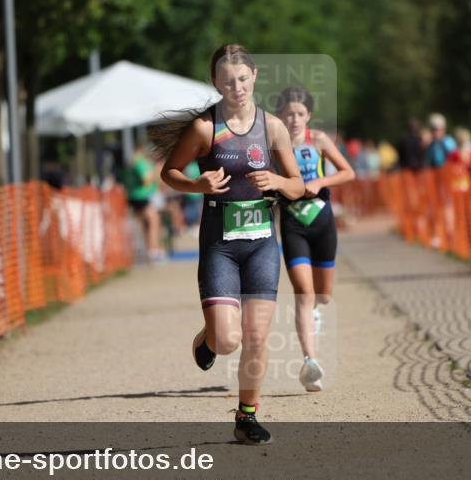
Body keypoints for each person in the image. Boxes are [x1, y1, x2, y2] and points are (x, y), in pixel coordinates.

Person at [154, 44, 305, 445]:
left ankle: (247, 416)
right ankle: (207, 337)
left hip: (261, 244)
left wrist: (277, 183)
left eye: (242, 78)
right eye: (227, 81)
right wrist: (195, 184)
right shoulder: (206, 128)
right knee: (227, 340)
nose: (236, 87)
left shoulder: (272, 127)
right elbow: (169, 172)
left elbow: (298, 185)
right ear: (216, 83)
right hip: (220, 244)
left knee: (255, 336)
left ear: (254, 76)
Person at [275, 86, 356, 392]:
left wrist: (320, 180)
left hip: (322, 223)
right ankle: (311, 363)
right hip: (293, 224)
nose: (294, 119)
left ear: (308, 115)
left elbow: (348, 172)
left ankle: (316, 315)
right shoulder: (274, 146)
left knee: (322, 296)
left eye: (299, 113)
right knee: (303, 293)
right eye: (288, 114)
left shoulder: (319, 140)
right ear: (281, 116)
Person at [123, 143, 164, 262]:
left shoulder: (134, 163)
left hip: (136, 196)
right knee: (153, 222)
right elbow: (145, 179)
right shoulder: (140, 162)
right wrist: (156, 173)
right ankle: (153, 250)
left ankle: (146, 250)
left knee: (142, 224)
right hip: (143, 196)